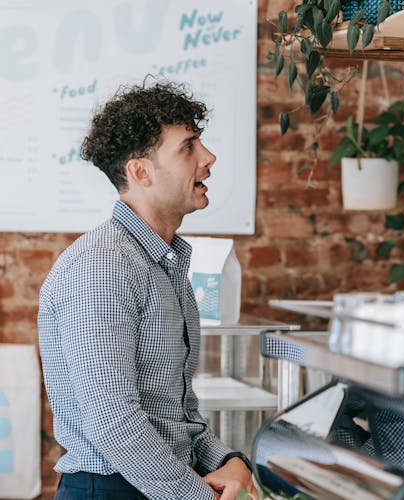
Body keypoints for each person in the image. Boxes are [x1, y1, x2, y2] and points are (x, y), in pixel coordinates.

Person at [38, 81, 256, 499]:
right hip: (112, 489)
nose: (209, 159)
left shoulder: (162, 261)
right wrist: (195, 495)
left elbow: (177, 414)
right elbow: (113, 422)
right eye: (188, 147)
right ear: (140, 171)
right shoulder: (102, 266)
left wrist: (229, 461)